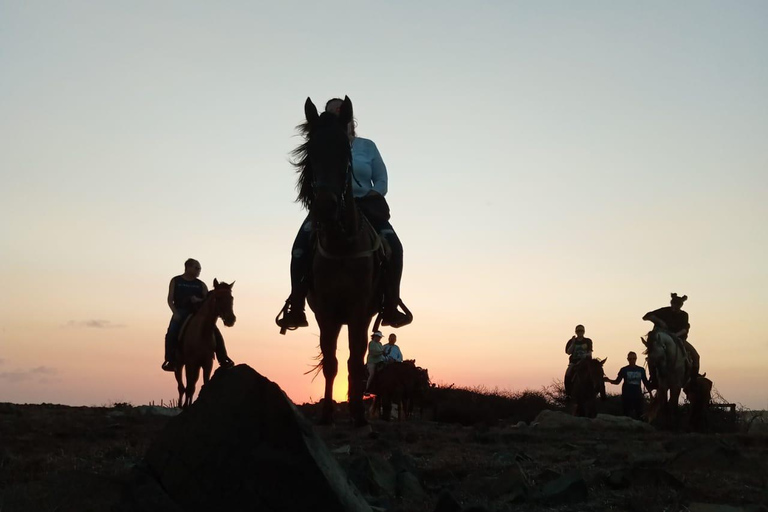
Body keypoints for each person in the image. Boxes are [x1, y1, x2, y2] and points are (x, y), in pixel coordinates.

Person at [276, 98, 410, 331]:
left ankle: (390, 305)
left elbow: (381, 179)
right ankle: (296, 306)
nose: (337, 114)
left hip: (365, 206)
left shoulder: (367, 146)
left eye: (340, 111)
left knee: (395, 248)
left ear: (348, 117)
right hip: (330, 205)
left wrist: (373, 194)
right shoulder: (322, 143)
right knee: (299, 249)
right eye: (331, 112)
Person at [162, 258, 234, 372]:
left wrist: (198, 300)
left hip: (198, 312)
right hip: (181, 311)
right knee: (172, 332)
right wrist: (175, 313)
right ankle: (171, 360)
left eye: (199, 268)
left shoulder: (201, 284)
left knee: (216, 333)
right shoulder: (176, 280)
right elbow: (170, 299)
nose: (199, 271)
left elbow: (207, 300)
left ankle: (223, 358)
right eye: (197, 268)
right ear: (188, 267)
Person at [642, 293, 699, 389]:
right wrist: (660, 322)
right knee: (652, 357)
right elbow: (646, 316)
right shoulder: (664, 311)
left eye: (678, 305)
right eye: (674, 305)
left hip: (679, 339)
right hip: (661, 341)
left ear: (680, 306)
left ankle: (692, 381)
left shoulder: (684, 315)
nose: (675, 307)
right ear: (671, 303)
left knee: (696, 356)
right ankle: (654, 379)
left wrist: (675, 335)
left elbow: (685, 329)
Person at [606, 351, 651, 419]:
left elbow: (645, 382)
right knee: (626, 416)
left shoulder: (641, 370)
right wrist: (609, 380)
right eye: (630, 359)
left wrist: (651, 394)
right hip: (627, 397)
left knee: (640, 415)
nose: (632, 360)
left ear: (636, 359)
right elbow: (617, 381)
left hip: (638, 396)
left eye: (634, 358)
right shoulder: (624, 370)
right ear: (628, 359)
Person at [564, 324, 593, 398]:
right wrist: (573, 343)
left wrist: (586, 355)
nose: (580, 332)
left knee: (597, 372)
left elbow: (590, 352)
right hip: (574, 362)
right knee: (568, 373)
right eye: (578, 330)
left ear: (584, 331)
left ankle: (601, 392)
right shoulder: (571, 341)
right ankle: (568, 394)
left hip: (586, 362)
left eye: (581, 330)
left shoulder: (588, 341)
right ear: (576, 332)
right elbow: (568, 352)